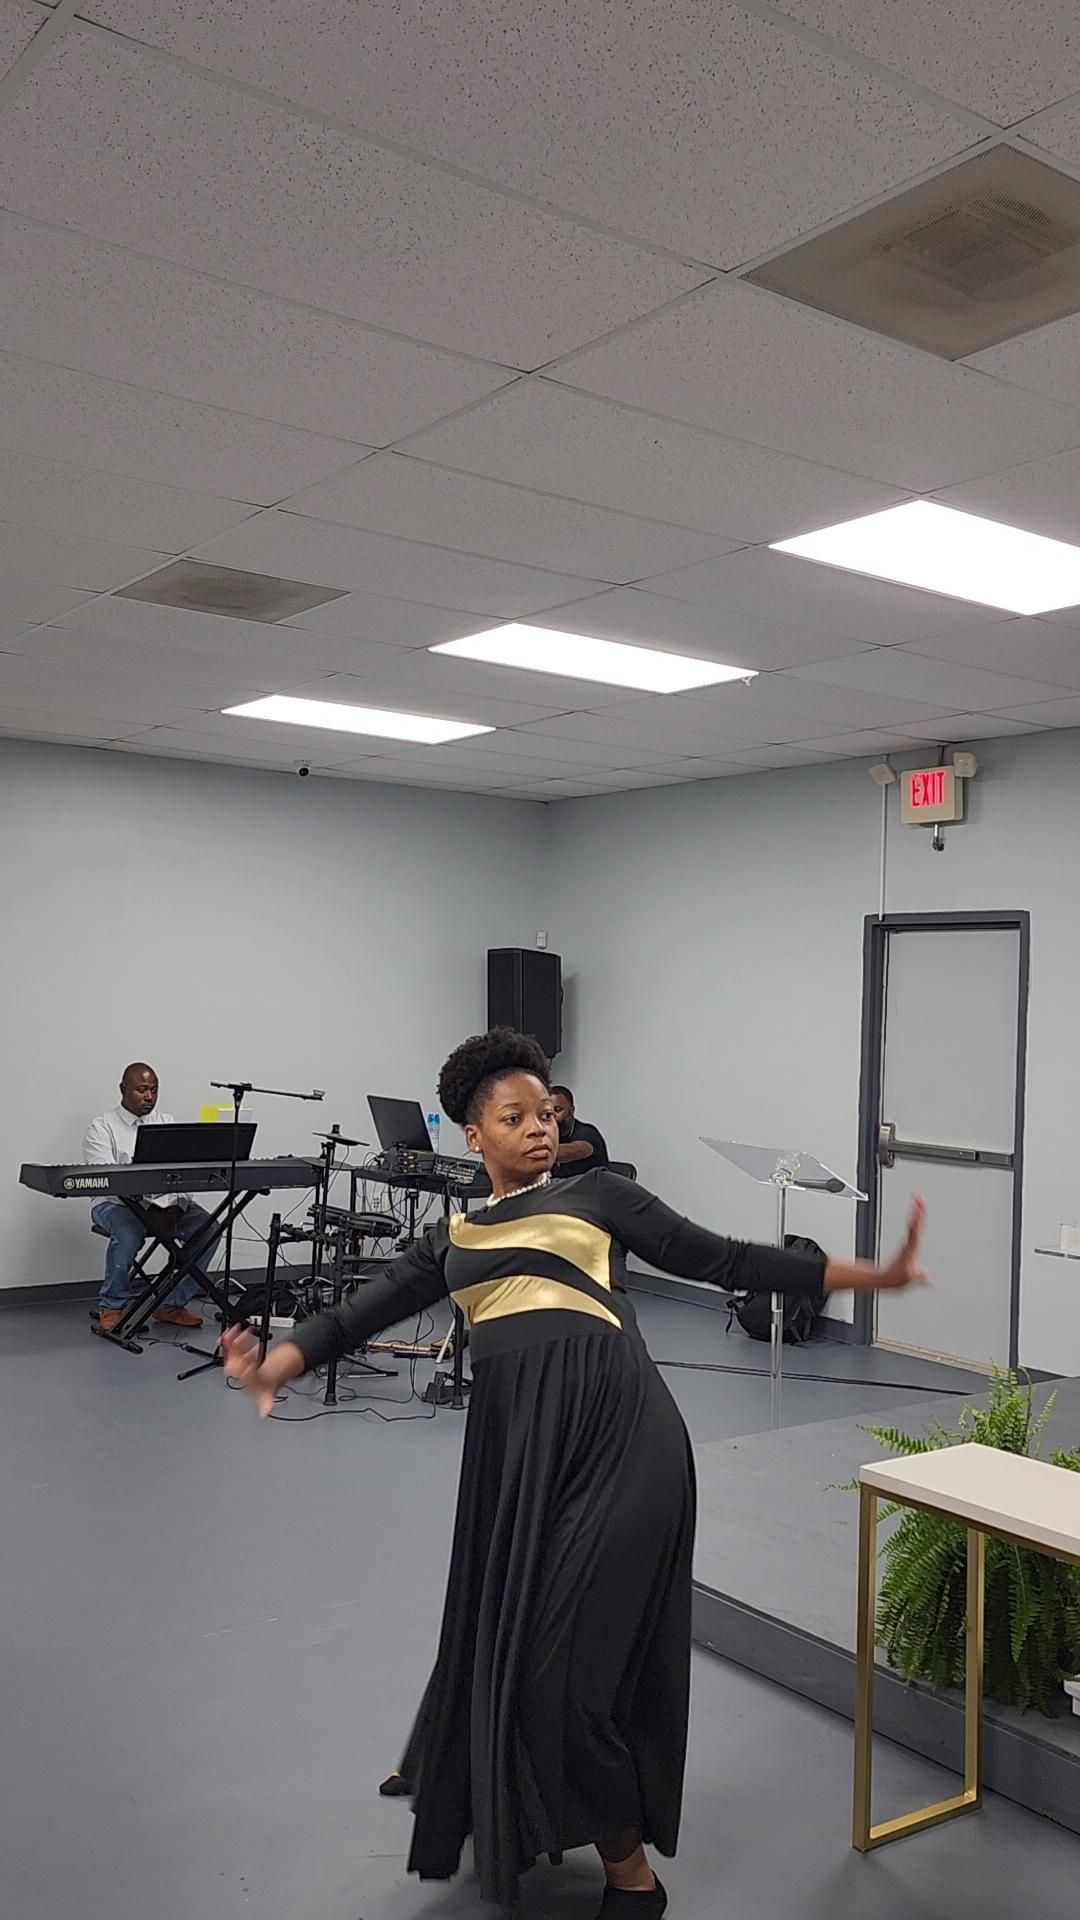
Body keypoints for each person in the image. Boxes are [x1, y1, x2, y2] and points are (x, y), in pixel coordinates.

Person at [224, 1028, 927, 1915]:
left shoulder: (601, 1195)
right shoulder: (450, 1237)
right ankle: (509, 1801)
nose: (539, 1129)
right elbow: (355, 1317)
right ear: (472, 1136)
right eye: (514, 1117)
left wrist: (874, 1275)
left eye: (547, 1114)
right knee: (514, 1641)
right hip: (524, 1460)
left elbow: (727, 1258)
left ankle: (633, 1877)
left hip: (626, 1440)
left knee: (566, 1669)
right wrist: (272, 1367)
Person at [84, 1062, 216, 1333]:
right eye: (142, 1090)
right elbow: (110, 1181)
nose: (149, 1097)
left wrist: (177, 1204)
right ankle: (111, 1307)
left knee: (209, 1229)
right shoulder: (102, 1127)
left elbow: (184, 1171)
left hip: (166, 1204)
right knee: (129, 1233)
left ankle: (170, 1305)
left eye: (154, 1090)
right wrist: (148, 1207)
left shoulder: (166, 1123)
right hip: (115, 1204)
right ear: (123, 1089)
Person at [551, 1083, 609, 1178]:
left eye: (558, 1110)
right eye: (548, 1112)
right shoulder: (550, 1134)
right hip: (563, 1190)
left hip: (592, 1190)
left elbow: (575, 1150)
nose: (552, 1116)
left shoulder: (587, 1132)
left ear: (572, 1111)